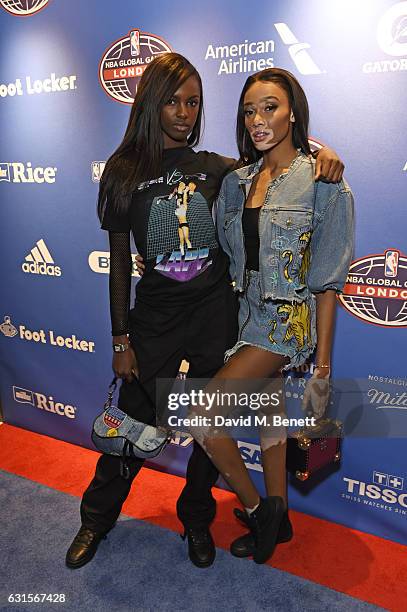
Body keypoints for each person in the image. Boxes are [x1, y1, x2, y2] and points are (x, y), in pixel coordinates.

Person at [65, 53, 345, 570]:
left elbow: (278, 170)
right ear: (150, 102)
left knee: (204, 438)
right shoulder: (123, 173)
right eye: (172, 100)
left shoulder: (222, 171)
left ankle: (196, 520)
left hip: (217, 320)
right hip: (153, 325)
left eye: (193, 102)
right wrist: (120, 338)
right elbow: (121, 266)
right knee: (131, 425)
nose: (183, 112)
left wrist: (324, 153)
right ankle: (96, 519)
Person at [186, 67, 354, 565]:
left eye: (271, 107)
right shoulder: (237, 182)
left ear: (293, 112)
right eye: (249, 110)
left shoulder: (324, 182)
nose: (259, 119)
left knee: (201, 416)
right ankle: (280, 521)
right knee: (269, 420)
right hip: (244, 316)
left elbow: (327, 282)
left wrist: (321, 369)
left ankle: (258, 510)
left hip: (286, 322)